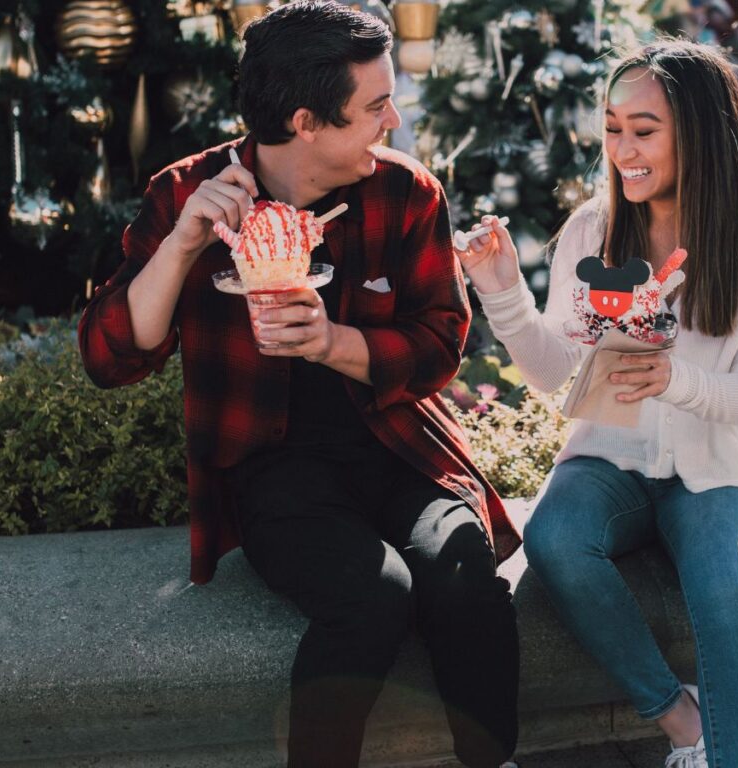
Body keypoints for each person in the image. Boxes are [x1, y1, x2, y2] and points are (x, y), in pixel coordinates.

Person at [77, 3, 520, 766]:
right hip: (272, 467)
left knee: (463, 577)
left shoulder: (405, 194)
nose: (394, 119)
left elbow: (441, 345)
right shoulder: (190, 194)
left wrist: (334, 343)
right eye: (376, 106)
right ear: (307, 120)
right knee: (371, 597)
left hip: (397, 447)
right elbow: (109, 357)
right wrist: (183, 246)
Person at [457, 40, 738, 768]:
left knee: (726, 592)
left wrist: (670, 378)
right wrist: (500, 289)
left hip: (719, 468)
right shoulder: (592, 230)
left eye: (643, 130)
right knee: (553, 541)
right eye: (612, 127)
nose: (623, 149)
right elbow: (553, 370)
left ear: (700, 132)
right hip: (609, 456)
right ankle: (678, 715)